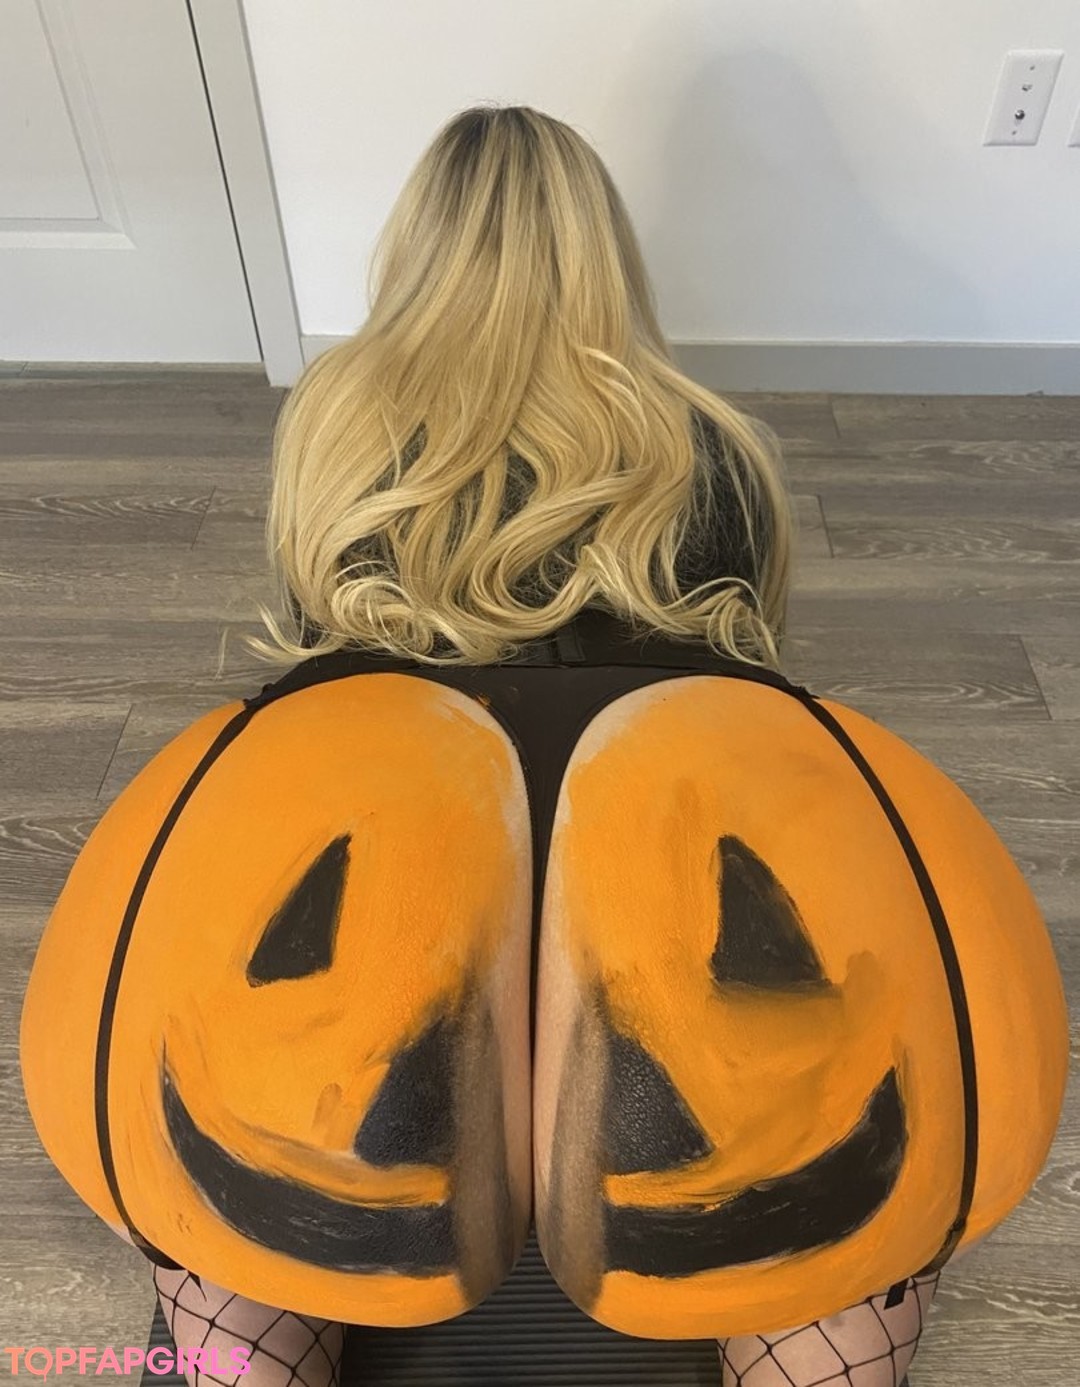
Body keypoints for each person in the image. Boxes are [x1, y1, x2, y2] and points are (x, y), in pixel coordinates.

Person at [148, 104, 970, 1387]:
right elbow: (750, 708)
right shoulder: (714, 448)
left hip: (405, 925)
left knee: (214, 1217)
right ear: (606, 258)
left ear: (412, 253)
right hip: (653, 927)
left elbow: (316, 695)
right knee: (850, 1229)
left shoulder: (332, 426)